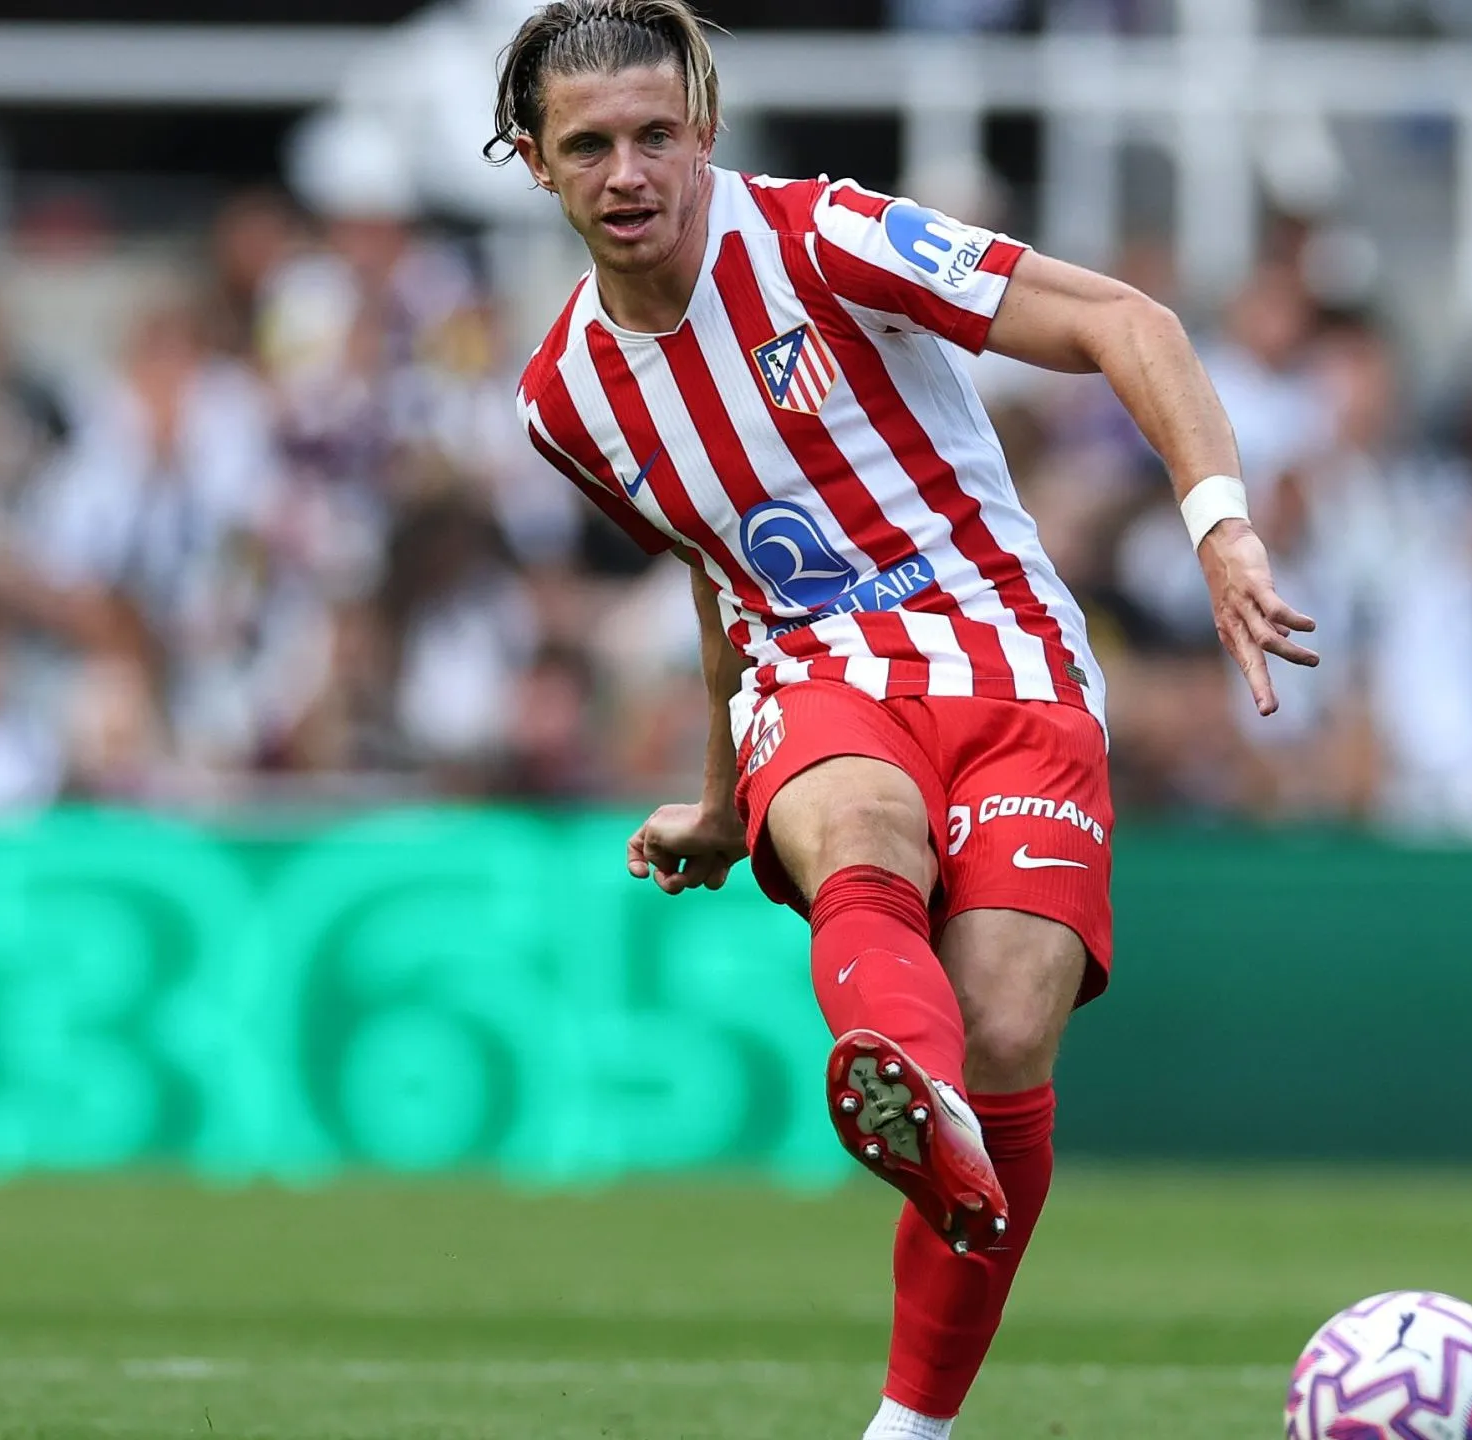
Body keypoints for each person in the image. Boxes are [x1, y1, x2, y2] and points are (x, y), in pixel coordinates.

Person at [491, 4, 1316, 1436]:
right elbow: (719, 575)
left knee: (1008, 1034)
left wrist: (1221, 526)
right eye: (590, 146)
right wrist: (723, 802)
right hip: (819, 674)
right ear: (534, 162)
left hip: (1014, 663)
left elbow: (1127, 322)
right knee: (861, 822)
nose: (628, 173)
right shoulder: (565, 401)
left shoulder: (827, 237)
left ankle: (911, 1406)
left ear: (705, 133)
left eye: (655, 136)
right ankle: (905, 1082)